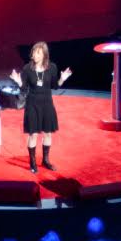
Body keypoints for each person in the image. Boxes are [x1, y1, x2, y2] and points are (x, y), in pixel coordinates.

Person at [9, 41, 72, 173]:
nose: (34, 55)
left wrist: (62, 78)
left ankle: (46, 160)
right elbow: (24, 88)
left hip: (47, 104)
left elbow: (55, 86)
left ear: (44, 54)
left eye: (38, 53)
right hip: (32, 105)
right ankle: (32, 163)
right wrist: (18, 81)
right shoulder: (27, 68)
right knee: (33, 134)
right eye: (33, 52)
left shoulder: (52, 67)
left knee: (48, 133)